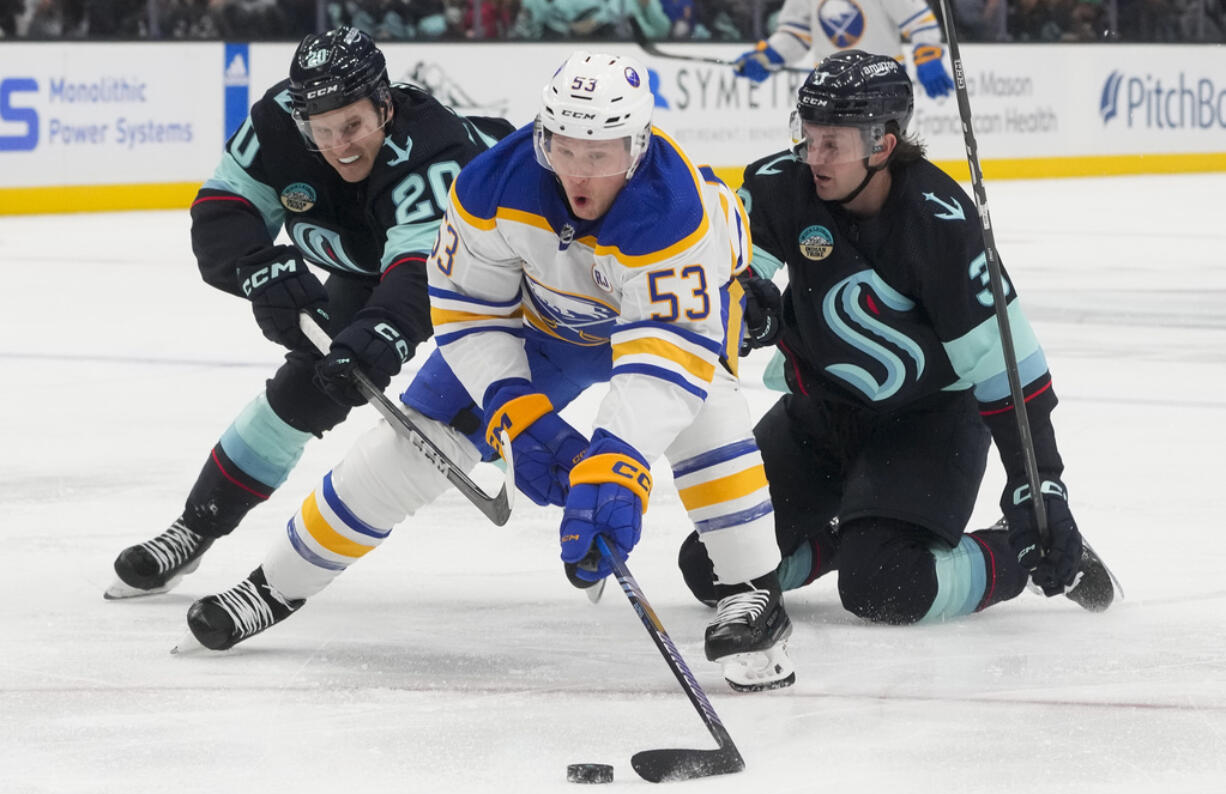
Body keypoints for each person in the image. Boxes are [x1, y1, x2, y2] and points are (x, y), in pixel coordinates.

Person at [180, 50, 796, 694]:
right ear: (540, 139)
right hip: (547, 328)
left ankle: (754, 593)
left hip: (675, 321)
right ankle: (275, 585)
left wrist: (619, 460)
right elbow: (468, 311)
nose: (579, 176)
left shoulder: (676, 210)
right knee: (413, 445)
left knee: (705, 418)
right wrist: (518, 413)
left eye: (601, 155)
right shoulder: (489, 184)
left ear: (638, 147)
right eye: (564, 150)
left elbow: (663, 361)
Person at [679, 50, 1118, 626]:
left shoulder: (940, 222)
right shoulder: (779, 185)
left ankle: (1011, 549)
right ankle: (846, 535)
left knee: (886, 586)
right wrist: (745, 306)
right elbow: (733, 271)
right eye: (806, 136)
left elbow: (1005, 367)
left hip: (928, 422)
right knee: (714, 568)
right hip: (822, 414)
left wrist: (1040, 490)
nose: (814, 156)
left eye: (831, 143)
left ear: (882, 146)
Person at [104, 26, 512, 600]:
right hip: (377, 259)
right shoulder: (275, 124)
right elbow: (224, 207)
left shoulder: (432, 151)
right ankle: (195, 526)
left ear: (385, 106)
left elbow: (424, 273)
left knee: (527, 384)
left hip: (505, 259)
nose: (340, 145)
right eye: (322, 131)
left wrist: (379, 334)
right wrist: (259, 268)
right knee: (311, 384)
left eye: (354, 125)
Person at [731, 0, 956, 99]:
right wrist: (767, 56)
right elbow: (795, 34)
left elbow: (919, 22)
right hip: (828, 86)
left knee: (884, 161)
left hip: (881, 85)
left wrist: (927, 56)